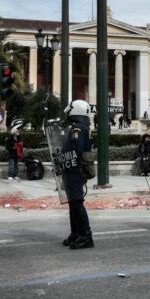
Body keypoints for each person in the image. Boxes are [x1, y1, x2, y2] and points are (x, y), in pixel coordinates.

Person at [60, 100, 94, 249]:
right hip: (70, 169)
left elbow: (77, 150)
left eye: (70, 110)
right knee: (73, 203)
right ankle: (76, 233)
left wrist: (64, 156)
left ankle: (86, 236)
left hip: (75, 170)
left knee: (77, 203)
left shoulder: (78, 129)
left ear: (76, 111)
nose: (68, 113)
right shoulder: (78, 128)